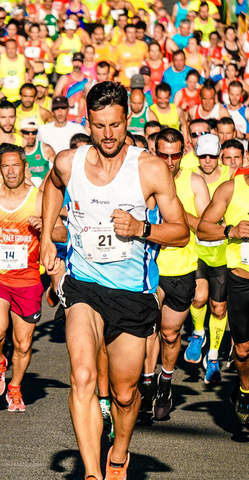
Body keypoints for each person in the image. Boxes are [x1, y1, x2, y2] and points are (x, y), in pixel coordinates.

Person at [40, 81, 189, 480]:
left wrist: (141, 228)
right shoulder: (71, 162)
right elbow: (53, 184)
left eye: (116, 125)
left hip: (130, 293)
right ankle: (92, 473)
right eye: (100, 125)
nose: (108, 135)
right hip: (84, 285)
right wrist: (45, 238)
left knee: (125, 395)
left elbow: (180, 232)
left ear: (127, 121)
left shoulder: (149, 168)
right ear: (87, 122)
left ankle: (119, 454)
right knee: (83, 376)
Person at [0, 144, 67, 412]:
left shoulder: (39, 199)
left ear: (25, 167)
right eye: (5, 166)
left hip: (27, 280)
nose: (11, 171)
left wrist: (44, 226)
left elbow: (62, 233)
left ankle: (15, 388)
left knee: (23, 344)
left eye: (16, 165)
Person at [140, 128, 210, 418]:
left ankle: (165, 382)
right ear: (154, 152)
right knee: (147, 331)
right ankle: (144, 389)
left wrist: (180, 215)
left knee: (169, 334)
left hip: (182, 271)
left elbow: (208, 230)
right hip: (149, 270)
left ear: (184, 153)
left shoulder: (194, 182)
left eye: (176, 155)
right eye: (163, 155)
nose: (169, 162)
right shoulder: (142, 179)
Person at [197, 166, 249, 423]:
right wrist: (232, 231)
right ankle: (245, 388)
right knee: (242, 350)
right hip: (241, 281)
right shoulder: (231, 188)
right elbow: (204, 229)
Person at [185, 134, 233, 384]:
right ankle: (197, 333)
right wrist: (205, 225)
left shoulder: (230, 177)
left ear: (219, 155)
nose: (207, 160)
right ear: (195, 154)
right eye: (202, 155)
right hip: (197, 249)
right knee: (200, 296)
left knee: (219, 307)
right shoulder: (189, 176)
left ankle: (212, 357)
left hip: (223, 252)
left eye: (212, 156)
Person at [0, 39, 34, 105]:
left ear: (17, 49)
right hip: (4, 97)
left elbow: (30, 69)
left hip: (20, 97)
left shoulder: (22, 59)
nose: (11, 51)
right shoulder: (0, 60)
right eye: (9, 49)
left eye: (13, 48)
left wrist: (29, 80)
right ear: (5, 49)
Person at [0, 100, 26, 166]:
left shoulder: (23, 142)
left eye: (11, 117)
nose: (8, 121)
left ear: (15, 118)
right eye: (3, 117)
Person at [20, 118, 55, 187]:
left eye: (34, 133)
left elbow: (59, 167)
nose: (31, 136)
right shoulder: (17, 151)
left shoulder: (45, 148)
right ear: (21, 133)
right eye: (27, 133)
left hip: (44, 187)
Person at [54, 52, 88, 122]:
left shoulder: (87, 80)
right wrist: (65, 100)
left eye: (79, 62)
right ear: (72, 61)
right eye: (75, 61)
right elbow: (55, 96)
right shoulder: (65, 78)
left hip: (82, 117)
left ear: (83, 62)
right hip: (68, 116)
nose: (77, 64)